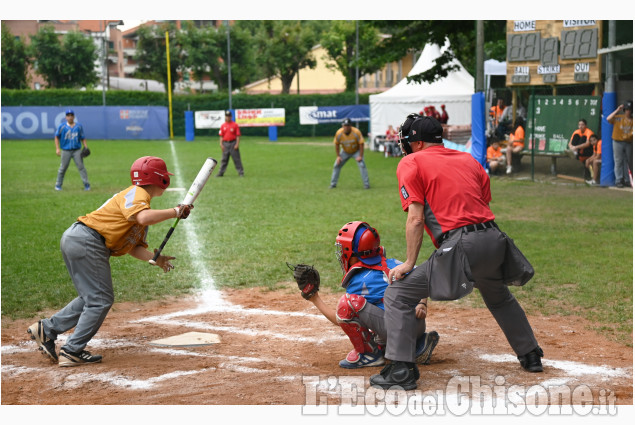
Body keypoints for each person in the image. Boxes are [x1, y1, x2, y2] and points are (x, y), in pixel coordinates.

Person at [369, 115, 542, 391]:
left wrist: (409, 263)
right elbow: (480, 203)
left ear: (419, 142)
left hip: (463, 243)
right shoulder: (468, 159)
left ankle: (401, 369)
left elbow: (416, 218)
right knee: (498, 296)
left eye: (409, 141)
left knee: (398, 294)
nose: (406, 145)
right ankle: (531, 353)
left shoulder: (411, 161)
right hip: (496, 238)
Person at [27, 156, 193, 367]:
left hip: (81, 239)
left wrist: (156, 258)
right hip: (88, 240)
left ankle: (46, 329)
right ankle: (72, 351)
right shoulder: (137, 193)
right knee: (100, 299)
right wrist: (175, 212)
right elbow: (143, 218)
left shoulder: (140, 204)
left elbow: (134, 247)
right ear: (159, 179)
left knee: (92, 297)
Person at [301, 221, 439, 368]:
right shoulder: (394, 264)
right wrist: (421, 304)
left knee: (347, 304)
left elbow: (340, 318)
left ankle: (369, 354)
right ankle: (417, 346)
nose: (341, 253)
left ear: (352, 252)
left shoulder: (358, 281)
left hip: (397, 331)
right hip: (417, 327)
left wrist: (314, 298)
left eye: (343, 249)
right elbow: (424, 278)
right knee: (384, 310)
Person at [54, 109, 90, 191]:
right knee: (63, 168)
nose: (70, 117)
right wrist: (57, 148)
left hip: (77, 150)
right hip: (65, 150)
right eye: (68, 115)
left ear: (73, 117)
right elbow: (56, 137)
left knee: (81, 167)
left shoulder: (79, 126)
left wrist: (85, 146)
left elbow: (83, 137)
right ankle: (58, 185)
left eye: (71, 115)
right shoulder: (62, 126)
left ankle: (86, 184)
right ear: (66, 117)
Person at [329, 118, 370, 189]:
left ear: (351, 126)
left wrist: (360, 156)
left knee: (362, 165)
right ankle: (333, 184)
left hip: (356, 151)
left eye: (348, 125)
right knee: (336, 165)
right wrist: (338, 156)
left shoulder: (356, 132)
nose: (346, 127)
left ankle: (366, 184)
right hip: (345, 151)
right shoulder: (339, 133)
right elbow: (336, 144)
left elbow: (361, 144)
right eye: (344, 125)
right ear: (342, 126)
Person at [607, 101, 633, 188]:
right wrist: (618, 110)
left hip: (628, 142)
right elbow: (608, 118)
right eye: (627, 110)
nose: (628, 111)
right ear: (624, 110)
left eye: (630, 110)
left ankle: (627, 180)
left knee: (627, 161)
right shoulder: (618, 117)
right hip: (617, 141)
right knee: (618, 161)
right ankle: (618, 180)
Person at [216, 110, 244, 177]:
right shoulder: (223, 125)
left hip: (233, 143)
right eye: (226, 116)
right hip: (225, 143)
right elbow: (221, 136)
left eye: (229, 116)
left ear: (231, 117)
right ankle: (221, 172)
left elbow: (237, 135)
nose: (227, 118)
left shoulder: (235, 125)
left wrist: (237, 144)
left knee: (236, 159)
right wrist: (221, 144)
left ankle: (241, 172)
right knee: (224, 159)